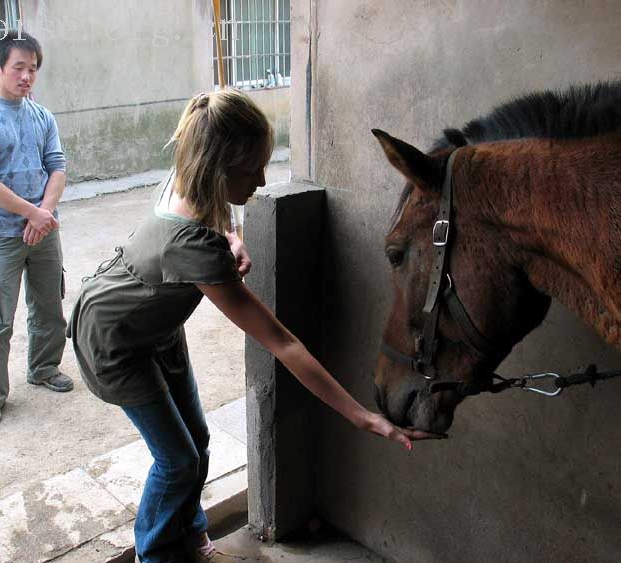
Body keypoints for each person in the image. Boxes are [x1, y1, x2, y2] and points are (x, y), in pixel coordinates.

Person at [68, 89, 437, 563]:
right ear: (216, 169)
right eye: (250, 171)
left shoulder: (188, 180)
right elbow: (283, 343)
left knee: (196, 441)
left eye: (265, 163)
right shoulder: (193, 248)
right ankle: (155, 555)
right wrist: (363, 417)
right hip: (114, 339)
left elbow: (215, 216)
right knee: (178, 460)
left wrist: (234, 238)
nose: (262, 181)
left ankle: (191, 539)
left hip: (153, 318)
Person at [0, 30, 73, 429]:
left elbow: (57, 166)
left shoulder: (43, 116)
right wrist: (34, 214)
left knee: (48, 307)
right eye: (18, 68)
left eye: (33, 69)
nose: (26, 76)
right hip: (2, 238)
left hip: (44, 231)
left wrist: (44, 213)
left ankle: (44, 368)